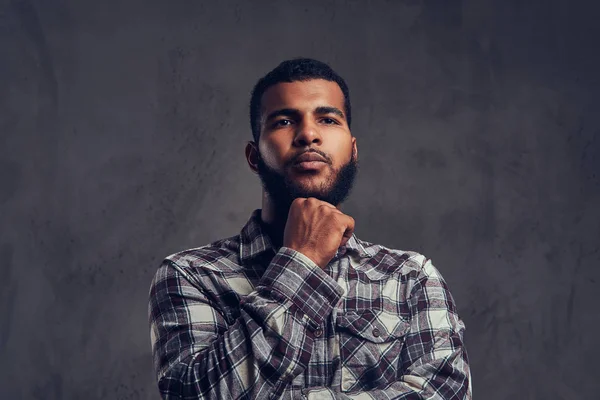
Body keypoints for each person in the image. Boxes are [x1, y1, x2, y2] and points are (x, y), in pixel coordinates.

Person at [148, 58, 472, 399]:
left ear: (353, 150)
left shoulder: (410, 277)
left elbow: (445, 392)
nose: (308, 134)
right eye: (284, 121)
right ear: (253, 155)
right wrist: (301, 261)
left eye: (328, 119)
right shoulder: (192, 275)